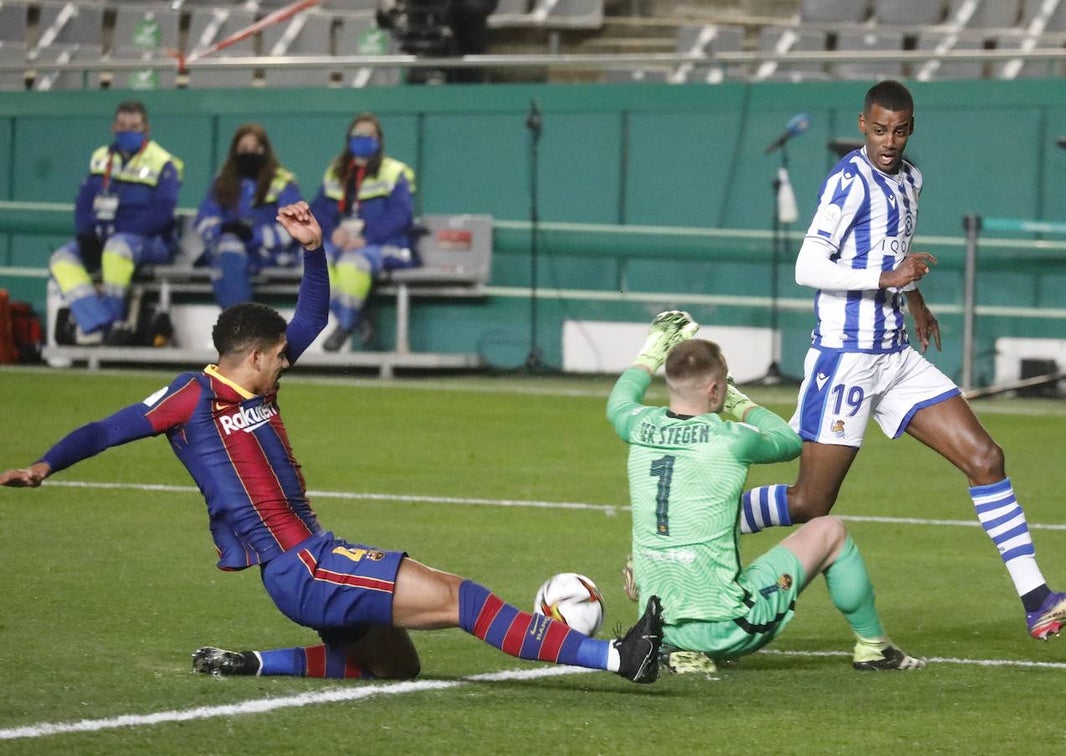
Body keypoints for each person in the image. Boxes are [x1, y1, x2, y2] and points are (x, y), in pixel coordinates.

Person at [1, 201, 663, 685]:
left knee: (394, 665)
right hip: (303, 564)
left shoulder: (257, 390)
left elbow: (313, 315)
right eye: (281, 356)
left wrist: (313, 249)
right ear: (255, 355)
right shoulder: (191, 397)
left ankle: (254, 663)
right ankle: (619, 657)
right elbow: (105, 429)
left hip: (303, 564)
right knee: (465, 598)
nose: (289, 362)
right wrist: (44, 464)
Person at [738, 80, 1066, 641]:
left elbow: (894, 251)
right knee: (810, 501)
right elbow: (808, 267)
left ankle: (1038, 599)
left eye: (900, 130)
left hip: (895, 357)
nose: (890, 141)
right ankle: (691, 528)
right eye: (880, 129)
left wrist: (914, 299)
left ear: (911, 128)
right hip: (845, 360)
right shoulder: (848, 183)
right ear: (863, 124)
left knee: (986, 458)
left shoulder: (911, 178)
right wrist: (886, 279)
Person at [608, 312, 925, 672]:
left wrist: (652, 349)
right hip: (729, 626)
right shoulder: (731, 440)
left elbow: (618, 402)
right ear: (715, 389)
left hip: (657, 623)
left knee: (687, 528)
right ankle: (875, 648)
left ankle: (677, 648)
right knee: (831, 531)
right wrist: (737, 401)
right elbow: (790, 442)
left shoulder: (637, 424)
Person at [49, 100, 183, 345]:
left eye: (134, 126)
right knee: (62, 259)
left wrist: (112, 233)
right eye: (122, 125)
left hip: (150, 242)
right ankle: (97, 323)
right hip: (103, 237)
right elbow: (84, 202)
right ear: (113, 128)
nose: (127, 131)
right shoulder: (101, 158)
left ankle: (114, 321)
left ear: (146, 129)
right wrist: (87, 235)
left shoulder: (164, 163)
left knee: (116, 248)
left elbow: (161, 214)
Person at [310, 113, 418, 352]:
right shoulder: (335, 173)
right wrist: (333, 231)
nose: (363, 139)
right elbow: (318, 209)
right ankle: (358, 317)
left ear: (379, 139)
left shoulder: (394, 172)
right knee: (317, 263)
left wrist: (366, 238)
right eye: (357, 135)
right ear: (349, 139)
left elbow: (401, 215)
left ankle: (344, 326)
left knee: (353, 264)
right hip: (341, 240)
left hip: (384, 244)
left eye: (369, 135)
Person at [194, 124, 303, 309]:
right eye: (244, 148)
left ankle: (238, 324)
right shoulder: (222, 183)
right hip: (229, 251)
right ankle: (241, 322)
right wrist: (224, 229)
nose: (250, 153)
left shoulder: (282, 182)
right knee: (228, 250)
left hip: (270, 255)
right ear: (235, 151)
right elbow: (204, 221)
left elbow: (294, 227)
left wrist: (254, 236)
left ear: (265, 150)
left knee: (227, 258)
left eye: (255, 148)